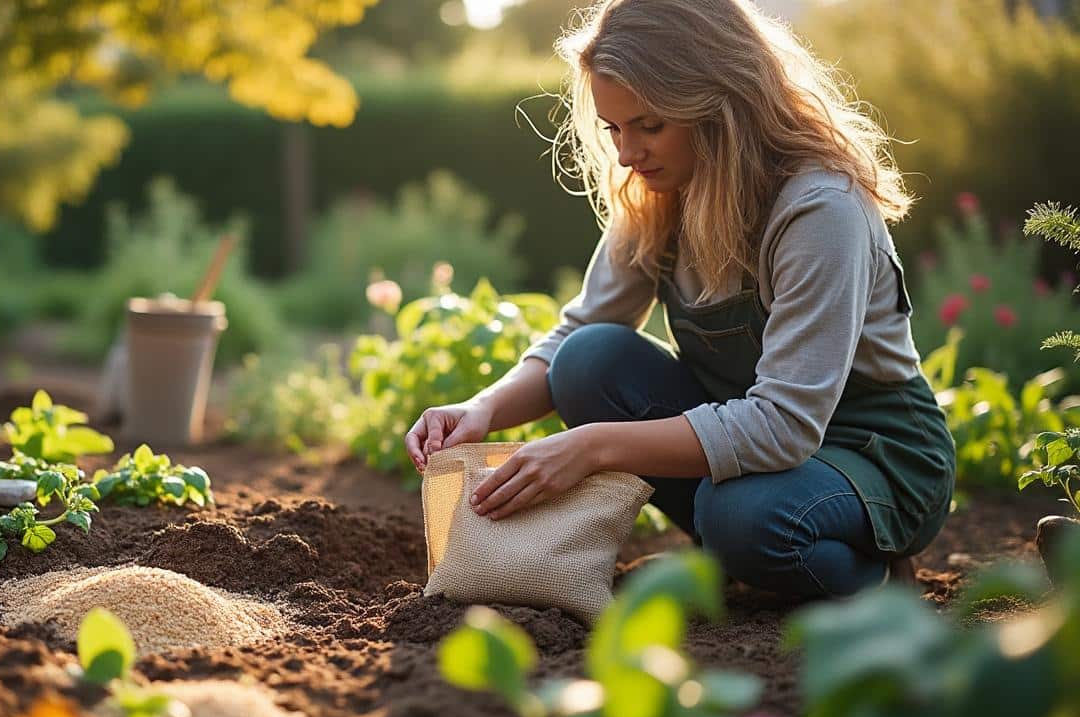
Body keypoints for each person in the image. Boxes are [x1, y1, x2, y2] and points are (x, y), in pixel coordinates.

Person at [403, 0, 955, 599]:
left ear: (719, 105)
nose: (625, 153)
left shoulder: (818, 209)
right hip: (757, 458)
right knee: (591, 359)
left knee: (742, 516)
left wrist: (590, 447)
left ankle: (873, 578)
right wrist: (484, 408)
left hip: (872, 456)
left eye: (648, 124)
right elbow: (577, 333)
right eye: (614, 129)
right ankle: (744, 551)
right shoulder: (659, 195)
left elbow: (787, 425)